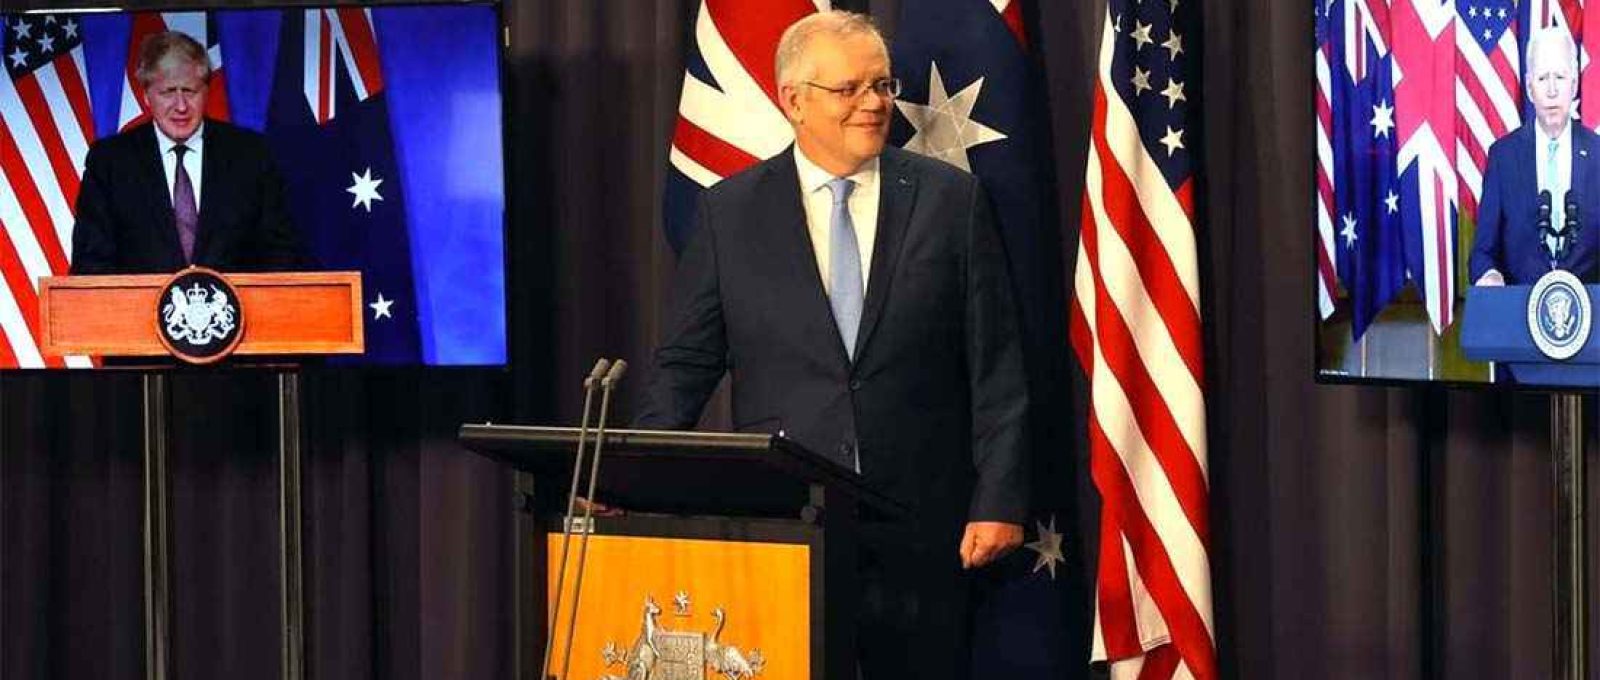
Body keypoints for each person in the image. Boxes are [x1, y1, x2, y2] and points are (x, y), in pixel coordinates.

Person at [635, 11, 1028, 679]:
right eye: (850, 90)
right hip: (785, 528)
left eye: (881, 85)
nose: (874, 104)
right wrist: (635, 473)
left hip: (923, 527)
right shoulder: (730, 212)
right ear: (794, 100)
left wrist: (999, 501)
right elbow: (686, 364)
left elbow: (997, 367)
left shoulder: (948, 200)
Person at [70, 31, 310, 275]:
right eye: (168, 92)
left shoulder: (251, 155)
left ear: (206, 92)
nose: (181, 106)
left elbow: (282, 254)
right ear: (146, 96)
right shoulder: (110, 162)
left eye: (190, 91)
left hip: (240, 311)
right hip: (137, 313)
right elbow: (90, 265)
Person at [1469, 26, 1600, 286]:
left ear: (1574, 84)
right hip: (1519, 313)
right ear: (1529, 88)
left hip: (1590, 315)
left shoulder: (1598, 154)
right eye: (1542, 79)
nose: (1552, 90)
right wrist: (1490, 275)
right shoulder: (1503, 157)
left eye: (1560, 78)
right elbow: (1483, 252)